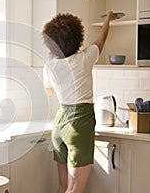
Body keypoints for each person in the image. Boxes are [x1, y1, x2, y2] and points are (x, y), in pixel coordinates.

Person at [42, 12, 117, 193]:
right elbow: (102, 39)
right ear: (77, 37)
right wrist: (107, 20)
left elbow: (49, 91)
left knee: (63, 185)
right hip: (79, 125)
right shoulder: (85, 57)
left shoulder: (49, 66)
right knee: (75, 188)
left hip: (60, 125)